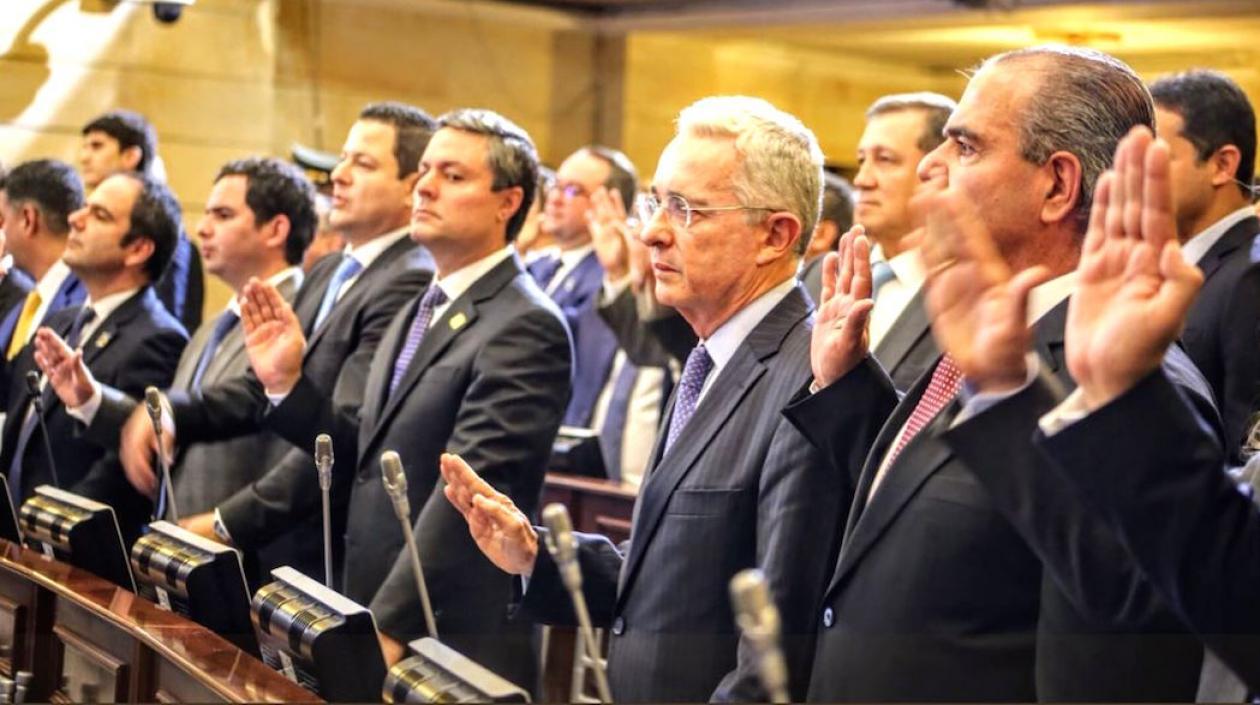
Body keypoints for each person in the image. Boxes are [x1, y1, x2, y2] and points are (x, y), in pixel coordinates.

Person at [790, 46, 1214, 701]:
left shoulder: (1132, 390)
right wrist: (847, 387)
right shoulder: (995, 332)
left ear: (1057, 186)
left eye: (964, 146)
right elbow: (932, 504)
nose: (930, 165)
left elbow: (1115, 665)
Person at [441, 95, 856, 701]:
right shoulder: (711, 356)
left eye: (684, 209)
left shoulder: (811, 385)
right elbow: (670, 572)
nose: (652, 233)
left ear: (775, 235)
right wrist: (537, 555)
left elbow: (774, 654)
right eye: (655, 203)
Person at [239, 108, 570, 690]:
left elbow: (467, 495)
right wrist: (286, 383)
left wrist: (386, 627)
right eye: (424, 171)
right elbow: (360, 448)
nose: (426, 186)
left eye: (453, 175)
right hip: (373, 608)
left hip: (446, 640)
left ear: (508, 202)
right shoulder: (422, 308)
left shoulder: (525, 324)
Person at [119, 102, 436, 584]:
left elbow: (347, 435)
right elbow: (258, 389)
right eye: (343, 159)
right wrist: (175, 410)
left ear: (412, 186)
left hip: (321, 551)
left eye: (363, 163)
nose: (339, 175)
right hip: (279, 548)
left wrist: (228, 522)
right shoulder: (332, 269)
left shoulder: (407, 280)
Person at [35, 157, 315, 584]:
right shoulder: (209, 330)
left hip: (250, 566)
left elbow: (298, 446)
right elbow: (172, 432)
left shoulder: (304, 320)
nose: (203, 228)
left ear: (276, 230)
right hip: (183, 559)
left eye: (223, 215)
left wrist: (226, 524)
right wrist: (95, 403)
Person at [6, 171, 187, 541]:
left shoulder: (159, 337)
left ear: (138, 249)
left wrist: (42, 530)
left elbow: (124, 472)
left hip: (66, 553)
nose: (76, 218)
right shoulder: (61, 320)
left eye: (99, 215)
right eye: (84, 207)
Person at [1147, 70, 1260, 463]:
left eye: (1157, 158)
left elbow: (1246, 456)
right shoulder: (1183, 266)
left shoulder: (1251, 275)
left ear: (1222, 164)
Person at [79, 110, 204, 331]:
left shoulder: (160, 229)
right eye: (85, 147)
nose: (84, 157)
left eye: (97, 146)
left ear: (130, 156)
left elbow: (165, 319)